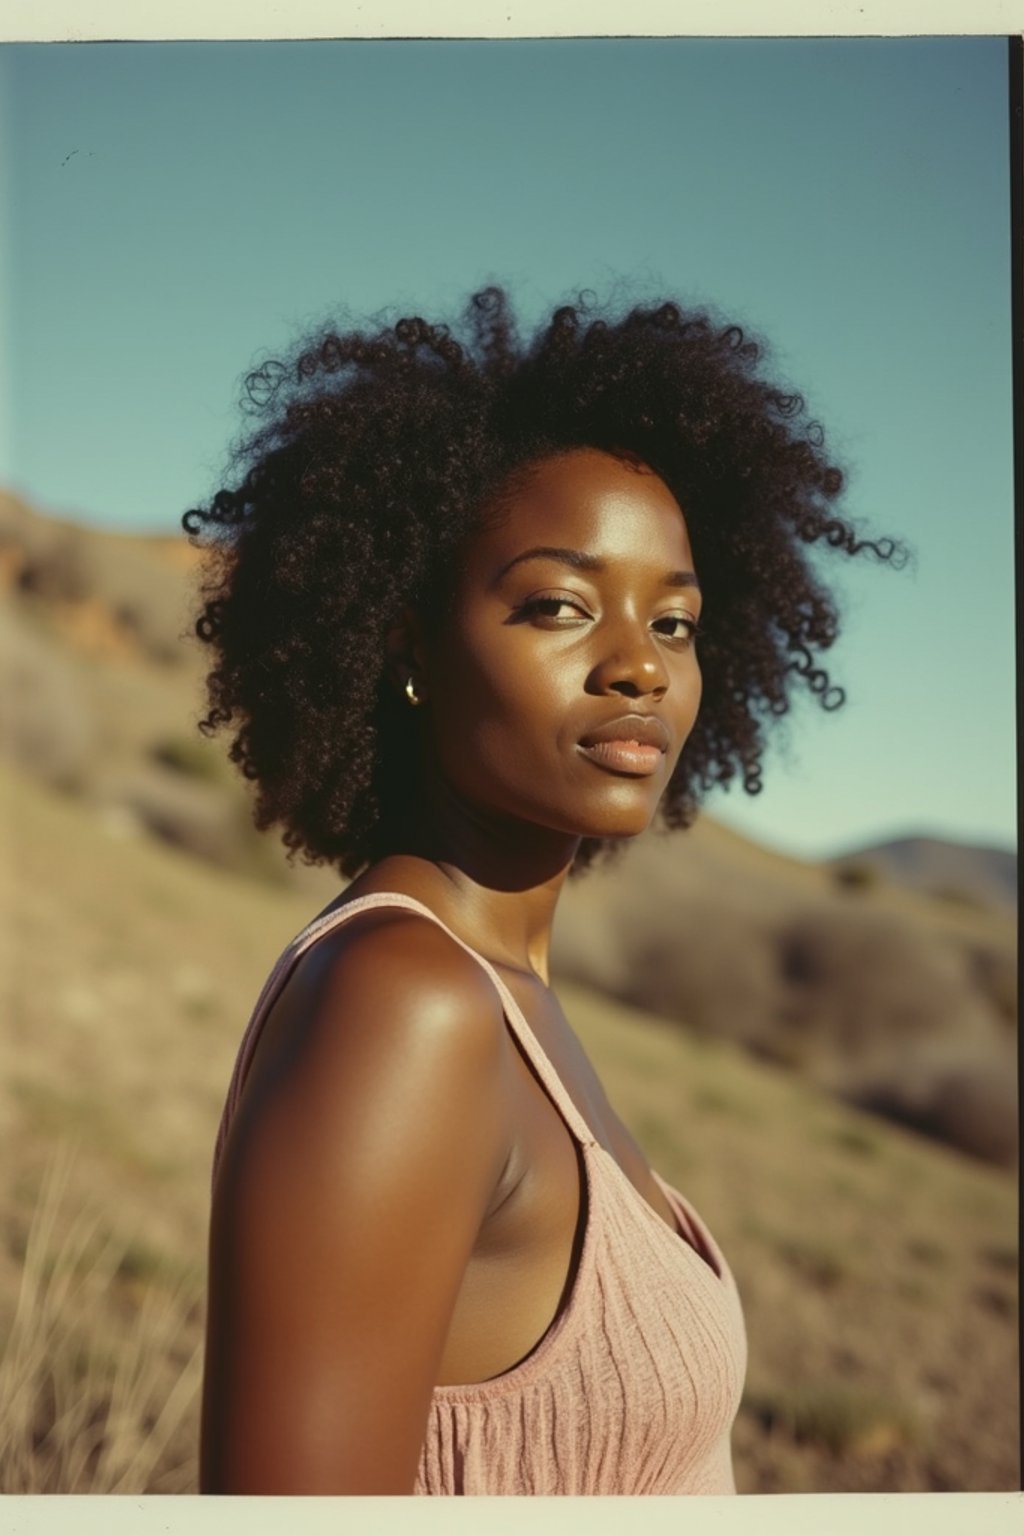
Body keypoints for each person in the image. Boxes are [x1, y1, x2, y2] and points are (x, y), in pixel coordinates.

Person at [184, 287, 901, 1495]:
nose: (638, 665)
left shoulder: (502, 991)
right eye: (559, 606)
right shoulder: (403, 1005)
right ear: (405, 645)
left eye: (674, 622)